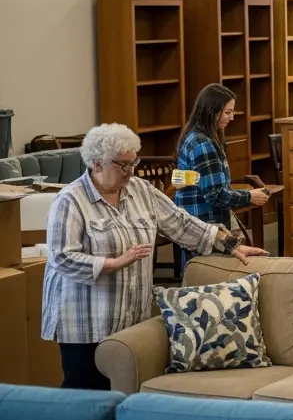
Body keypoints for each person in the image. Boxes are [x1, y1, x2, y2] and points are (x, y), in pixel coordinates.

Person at [43, 124, 267, 389]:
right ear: (96, 163)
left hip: (129, 315)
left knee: (126, 388)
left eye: (133, 163)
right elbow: (62, 257)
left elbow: (180, 223)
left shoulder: (141, 190)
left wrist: (229, 244)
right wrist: (112, 263)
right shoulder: (70, 200)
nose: (130, 171)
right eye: (122, 165)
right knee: (86, 391)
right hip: (85, 320)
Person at [175, 84, 270, 268]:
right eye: (227, 112)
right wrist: (249, 196)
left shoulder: (194, 137)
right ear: (212, 111)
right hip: (205, 223)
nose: (232, 117)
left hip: (196, 221)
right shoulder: (203, 144)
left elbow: (187, 181)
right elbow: (215, 194)